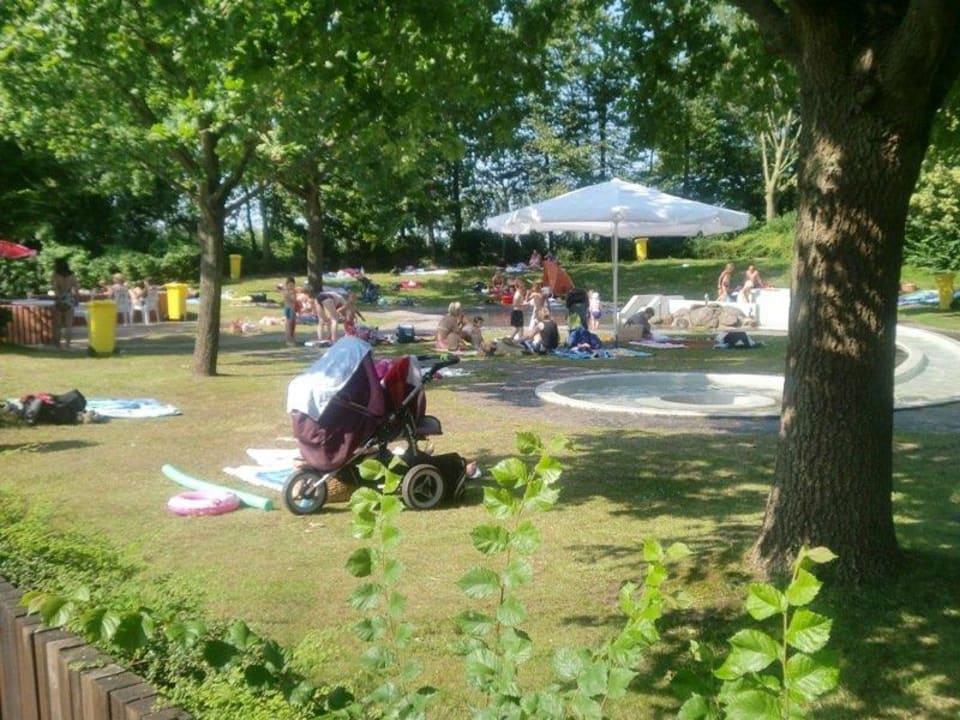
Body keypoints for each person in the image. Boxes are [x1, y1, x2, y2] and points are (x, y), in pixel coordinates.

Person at [51, 257, 80, 348]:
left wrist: (58, 297)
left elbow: (55, 288)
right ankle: (68, 344)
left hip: (60, 298)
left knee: (57, 324)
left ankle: (57, 344)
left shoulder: (55, 275)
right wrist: (77, 299)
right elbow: (76, 288)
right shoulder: (72, 275)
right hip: (69, 298)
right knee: (69, 324)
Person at [282, 277, 298, 345]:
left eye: (292, 285)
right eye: (290, 285)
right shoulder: (287, 292)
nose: (291, 287)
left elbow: (295, 300)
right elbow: (292, 299)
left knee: (293, 325)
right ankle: (288, 339)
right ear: (287, 285)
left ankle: (292, 338)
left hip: (292, 309)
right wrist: (290, 294)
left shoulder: (293, 291)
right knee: (288, 324)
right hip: (288, 309)